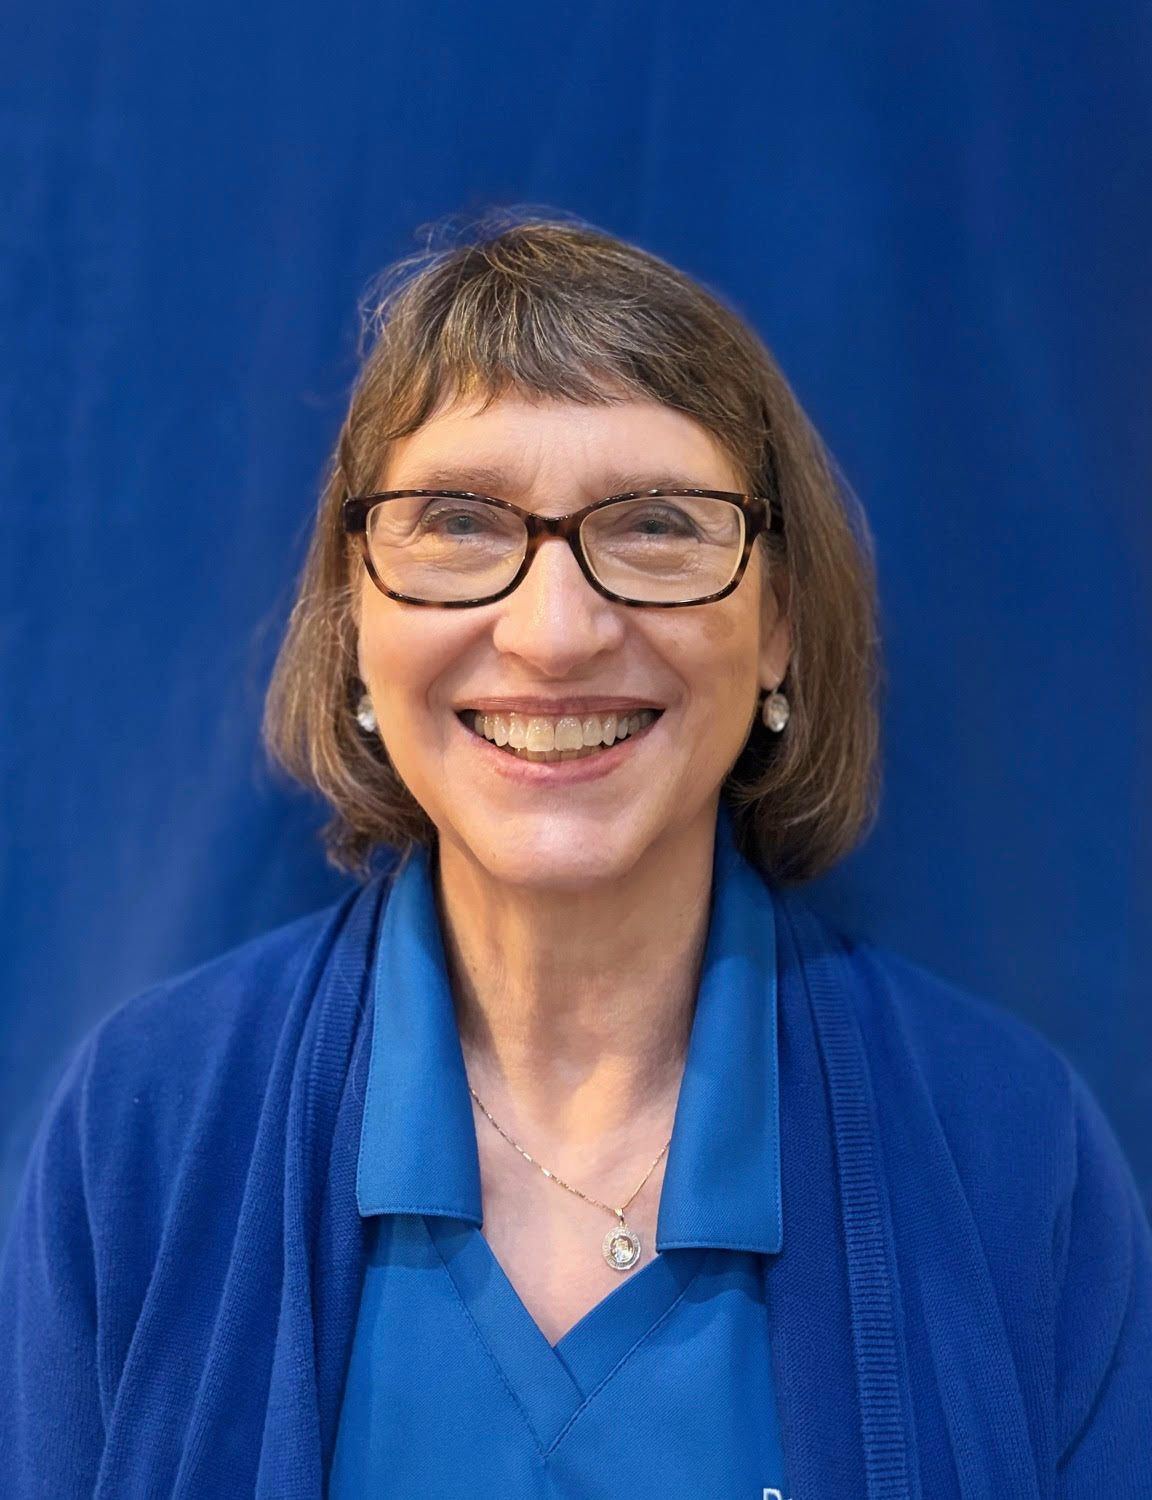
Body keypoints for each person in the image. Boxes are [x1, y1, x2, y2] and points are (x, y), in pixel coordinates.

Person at [2, 214, 1149, 1499]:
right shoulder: (144, 1130)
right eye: (459, 524)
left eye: (658, 524)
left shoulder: (1011, 1151)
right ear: (354, 617)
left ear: (777, 625)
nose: (555, 634)